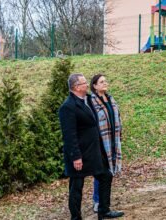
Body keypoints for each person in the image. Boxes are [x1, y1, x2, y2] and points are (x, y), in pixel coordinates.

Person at [59, 73, 124, 220]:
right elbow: (69, 135)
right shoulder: (68, 107)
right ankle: (76, 217)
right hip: (79, 154)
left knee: (106, 175)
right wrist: (76, 157)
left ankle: (104, 211)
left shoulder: (88, 100)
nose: (87, 84)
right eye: (83, 83)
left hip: (93, 152)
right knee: (76, 187)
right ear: (76, 87)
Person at [90, 74, 122, 214]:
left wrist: (119, 136)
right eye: (101, 82)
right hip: (100, 142)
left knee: (108, 171)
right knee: (101, 172)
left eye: (105, 81)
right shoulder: (91, 101)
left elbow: (117, 118)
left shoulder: (110, 99)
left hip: (112, 141)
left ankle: (103, 202)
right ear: (95, 86)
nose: (105, 83)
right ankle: (98, 201)